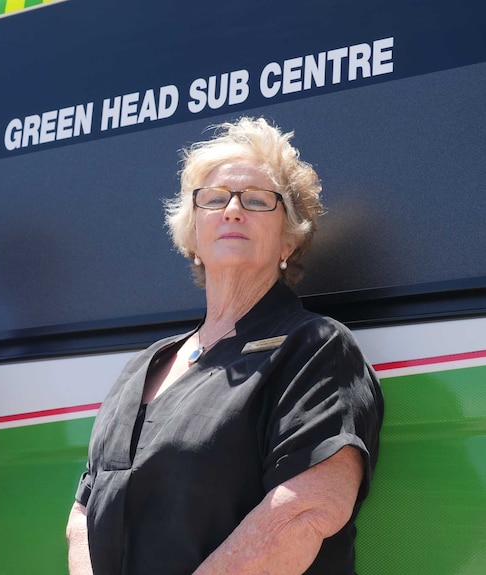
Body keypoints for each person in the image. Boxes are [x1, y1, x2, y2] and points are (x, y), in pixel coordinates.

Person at [66, 117, 383, 575]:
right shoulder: (142, 366)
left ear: (289, 240)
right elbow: (83, 515)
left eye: (256, 201)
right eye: (214, 200)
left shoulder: (314, 348)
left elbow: (302, 512)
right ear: (193, 234)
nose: (233, 210)